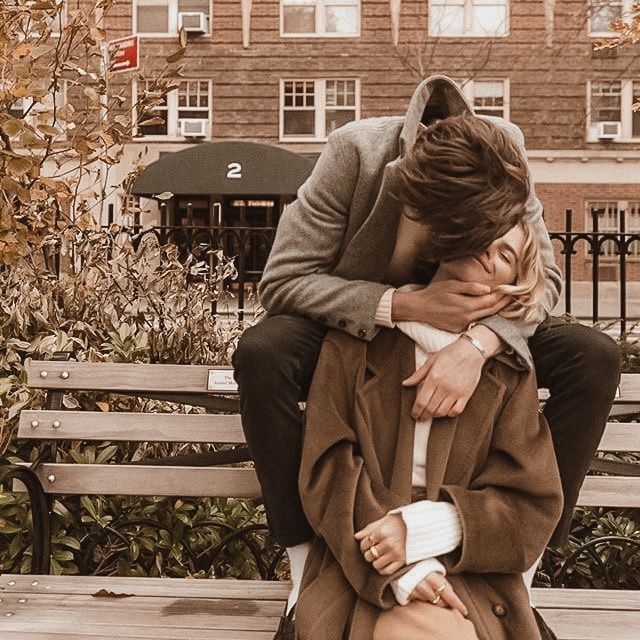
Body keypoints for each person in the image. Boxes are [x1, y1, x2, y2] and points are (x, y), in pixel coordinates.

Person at [232, 76, 621, 640]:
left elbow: (544, 281)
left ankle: (518, 568)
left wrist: (479, 344)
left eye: (496, 244)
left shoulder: (503, 154)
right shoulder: (356, 153)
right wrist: (401, 303)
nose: (484, 252)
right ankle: (304, 566)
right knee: (264, 351)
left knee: (593, 355)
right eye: (470, 239)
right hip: (363, 326)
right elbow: (284, 281)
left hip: (475, 328)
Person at [296, 220, 563, 640]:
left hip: (470, 567)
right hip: (359, 554)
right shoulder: (353, 345)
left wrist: (435, 526)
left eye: (507, 254)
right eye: (485, 234)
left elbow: (529, 506)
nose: (490, 252)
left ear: (515, 283)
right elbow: (327, 469)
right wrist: (402, 567)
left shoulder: (507, 372)